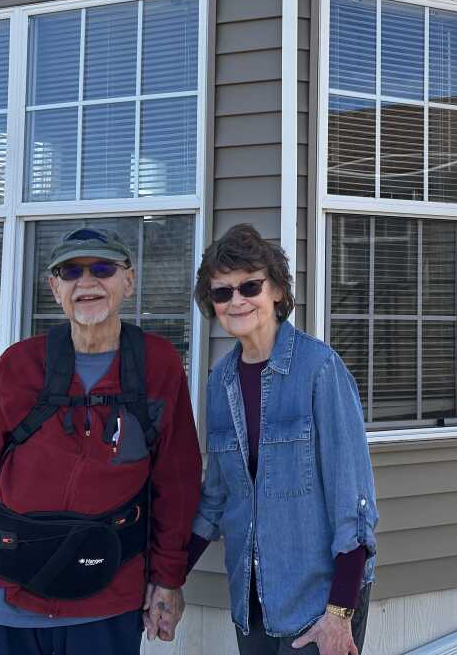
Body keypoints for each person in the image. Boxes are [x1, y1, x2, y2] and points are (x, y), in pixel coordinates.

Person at [0, 227, 202, 655]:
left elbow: (177, 481)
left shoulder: (157, 365)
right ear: (54, 288)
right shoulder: (19, 365)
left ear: (128, 281)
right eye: (71, 272)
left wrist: (167, 578)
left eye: (103, 269)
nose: (87, 282)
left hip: (106, 602)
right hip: (3, 598)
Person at [185, 224, 379, 655]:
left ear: (275, 290)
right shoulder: (220, 382)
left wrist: (339, 612)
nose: (237, 300)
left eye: (249, 286)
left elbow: (354, 502)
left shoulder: (319, 370)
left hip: (319, 608)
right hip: (251, 605)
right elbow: (216, 498)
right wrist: (167, 578)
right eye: (223, 292)